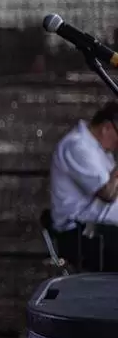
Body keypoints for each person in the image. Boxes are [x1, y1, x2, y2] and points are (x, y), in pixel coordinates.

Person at [50, 101, 118, 271]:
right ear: (106, 128)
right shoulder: (77, 146)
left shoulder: (99, 150)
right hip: (83, 235)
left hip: (102, 230)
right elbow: (108, 193)